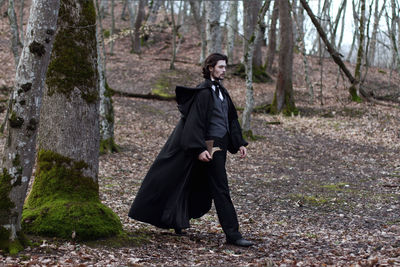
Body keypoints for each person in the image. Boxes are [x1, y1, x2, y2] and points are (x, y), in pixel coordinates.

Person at [128, 53, 253, 247]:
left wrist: (239, 144)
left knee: (191, 182)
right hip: (210, 144)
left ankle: (177, 220)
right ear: (210, 68)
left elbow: (231, 120)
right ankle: (233, 234)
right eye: (220, 67)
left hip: (221, 142)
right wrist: (199, 148)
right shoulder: (203, 92)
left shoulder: (222, 92)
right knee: (220, 188)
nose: (224, 70)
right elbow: (194, 122)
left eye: (225, 67)